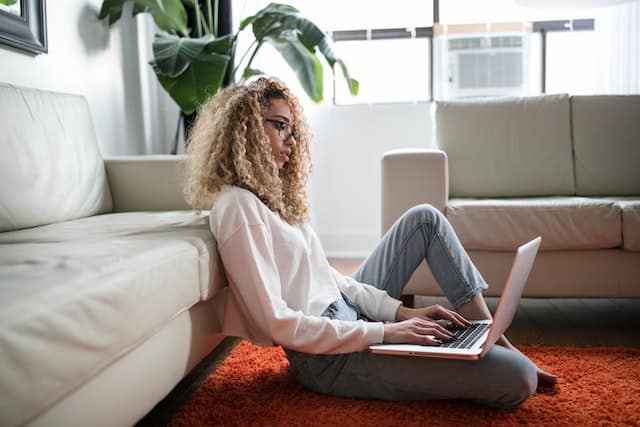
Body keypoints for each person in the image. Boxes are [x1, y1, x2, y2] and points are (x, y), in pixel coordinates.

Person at [184, 77, 556, 409]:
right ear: (246, 128)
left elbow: (331, 280)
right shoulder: (237, 206)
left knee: (424, 218)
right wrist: (384, 332)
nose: (292, 141)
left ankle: (491, 335)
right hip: (327, 358)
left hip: (349, 315)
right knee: (518, 378)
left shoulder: (272, 197)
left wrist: (399, 313)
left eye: (293, 130)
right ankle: (495, 351)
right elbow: (276, 323)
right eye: (280, 127)